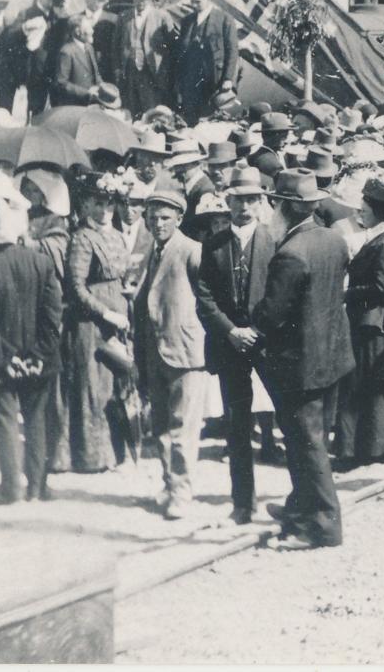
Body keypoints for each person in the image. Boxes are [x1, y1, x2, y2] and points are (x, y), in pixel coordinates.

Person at [252, 169, 355, 550]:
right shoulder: (333, 239)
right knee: (310, 440)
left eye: (276, 203)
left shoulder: (290, 255)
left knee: (307, 446)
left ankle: (323, 527)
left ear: (289, 208)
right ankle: (300, 506)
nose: (272, 209)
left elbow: (271, 315)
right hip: (333, 357)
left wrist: (255, 317)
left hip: (301, 366)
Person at [0, 183, 62, 504]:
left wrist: (8, 359)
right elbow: (52, 319)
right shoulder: (42, 263)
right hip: (40, 360)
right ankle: (37, 488)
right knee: (37, 421)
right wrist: (36, 355)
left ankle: (11, 489)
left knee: (5, 422)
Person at [194, 166, 278, 524]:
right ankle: (242, 504)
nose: (244, 207)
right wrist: (230, 331)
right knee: (237, 424)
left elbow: (279, 294)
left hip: (266, 342)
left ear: (260, 202)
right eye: (238, 199)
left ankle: (299, 498)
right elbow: (204, 297)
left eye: (251, 200)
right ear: (227, 200)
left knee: (287, 416)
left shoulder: (273, 241)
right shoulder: (212, 245)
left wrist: (257, 330)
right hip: (230, 345)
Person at [135, 189, 208, 519]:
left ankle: (182, 491)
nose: (158, 223)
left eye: (165, 217)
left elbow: (208, 302)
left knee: (183, 430)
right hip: (156, 350)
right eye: (152, 217)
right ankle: (169, 482)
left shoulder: (192, 251)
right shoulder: (153, 250)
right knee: (162, 426)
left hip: (185, 352)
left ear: (179, 218)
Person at [57, 172, 133, 474]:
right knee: (91, 386)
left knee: (117, 386)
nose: (104, 211)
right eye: (98, 204)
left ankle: (116, 452)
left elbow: (121, 273)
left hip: (118, 317)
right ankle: (89, 456)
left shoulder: (115, 236)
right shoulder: (81, 237)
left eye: (110, 205)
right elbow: (76, 288)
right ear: (87, 204)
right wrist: (106, 312)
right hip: (91, 323)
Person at [335, 178, 384, 465]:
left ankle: (371, 450)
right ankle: (356, 449)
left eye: (363, 209)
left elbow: (381, 287)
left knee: (368, 388)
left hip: (373, 324)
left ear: (378, 210)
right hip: (363, 321)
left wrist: (345, 292)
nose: (358, 213)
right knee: (357, 386)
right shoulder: (377, 240)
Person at [173, 0, 241, 122]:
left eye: (197, 1)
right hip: (191, 79)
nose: (194, 5)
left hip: (214, 79)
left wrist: (228, 78)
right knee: (190, 115)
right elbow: (181, 52)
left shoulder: (224, 19)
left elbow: (232, 51)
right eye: (192, 1)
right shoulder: (187, 21)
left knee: (211, 117)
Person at [117, 0, 176, 117]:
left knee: (152, 111)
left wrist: (165, 71)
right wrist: (118, 68)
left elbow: (173, 48)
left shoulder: (162, 16)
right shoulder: (124, 17)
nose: (140, 1)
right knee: (130, 109)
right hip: (130, 71)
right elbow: (116, 46)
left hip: (152, 73)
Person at [48, 14, 103, 108]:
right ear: (78, 32)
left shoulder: (89, 47)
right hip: (74, 105)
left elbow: (96, 73)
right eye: (89, 28)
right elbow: (61, 83)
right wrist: (86, 92)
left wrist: (102, 86)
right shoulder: (67, 51)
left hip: (91, 103)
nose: (93, 31)